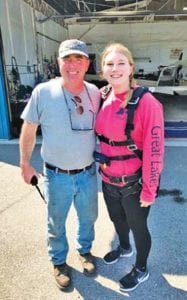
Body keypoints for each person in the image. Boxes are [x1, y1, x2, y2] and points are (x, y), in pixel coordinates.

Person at [19, 39, 100, 290]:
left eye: (79, 59)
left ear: (87, 63)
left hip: (88, 172)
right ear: (59, 62)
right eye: (67, 59)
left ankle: (85, 251)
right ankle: (59, 262)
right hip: (57, 175)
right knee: (56, 221)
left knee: (88, 217)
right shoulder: (43, 92)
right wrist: (24, 163)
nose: (72, 64)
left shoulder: (95, 93)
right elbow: (29, 128)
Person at [95, 43, 164, 292]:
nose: (115, 69)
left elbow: (155, 151)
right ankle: (124, 248)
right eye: (109, 64)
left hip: (134, 183)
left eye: (121, 63)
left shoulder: (147, 104)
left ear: (131, 68)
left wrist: (150, 189)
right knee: (116, 219)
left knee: (138, 227)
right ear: (102, 69)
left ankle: (141, 267)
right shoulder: (102, 96)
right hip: (108, 178)